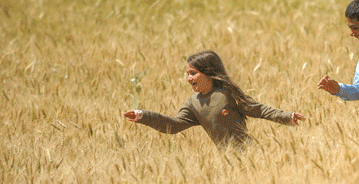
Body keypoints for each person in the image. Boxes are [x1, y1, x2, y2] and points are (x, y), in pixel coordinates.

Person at [124, 50, 305, 148]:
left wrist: (287, 116)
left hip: (250, 155)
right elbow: (174, 125)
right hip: (226, 162)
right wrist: (143, 116)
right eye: (187, 74)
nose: (189, 78)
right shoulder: (192, 103)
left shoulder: (227, 93)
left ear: (208, 73)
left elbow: (259, 109)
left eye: (193, 73)